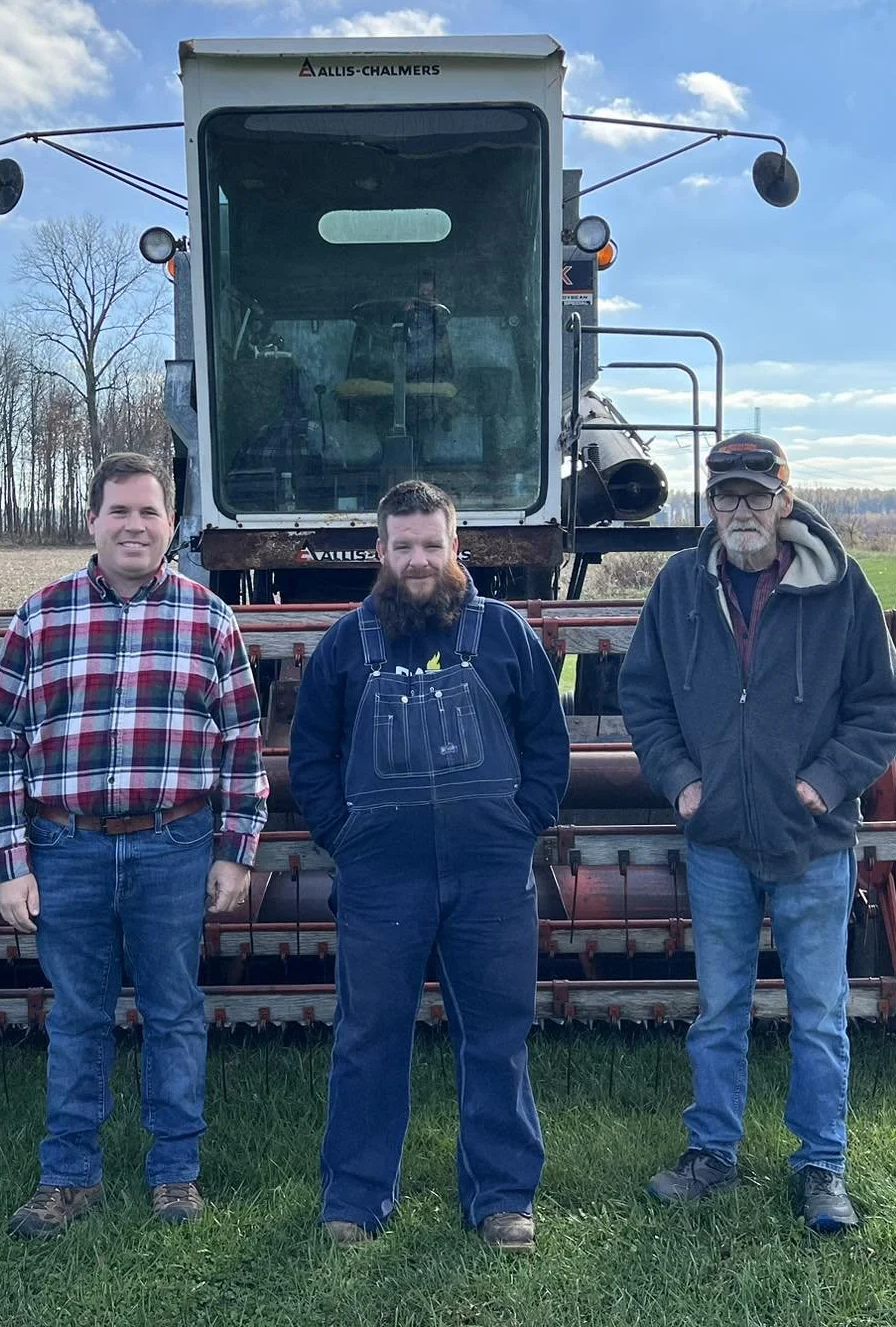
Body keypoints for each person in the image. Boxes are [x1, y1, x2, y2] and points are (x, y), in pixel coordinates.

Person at [619, 433, 896, 1233]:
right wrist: (680, 781)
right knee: (720, 1008)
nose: (741, 511)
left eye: (756, 496)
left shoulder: (840, 588)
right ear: (707, 507)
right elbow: (641, 696)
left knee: (819, 1013)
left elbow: (884, 703)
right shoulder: (679, 586)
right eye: (726, 498)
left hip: (811, 843)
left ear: (786, 501)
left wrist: (827, 780)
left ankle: (822, 1167)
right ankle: (712, 1151)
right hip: (717, 842)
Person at [0, 451, 268, 1238]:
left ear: (172, 527)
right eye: (119, 511)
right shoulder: (41, 615)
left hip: (173, 844)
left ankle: (175, 1172)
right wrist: (9, 864)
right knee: (77, 1015)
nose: (134, 525)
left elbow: (242, 741)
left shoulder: (209, 618)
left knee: (173, 1010)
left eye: (149, 512)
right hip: (64, 847)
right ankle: (69, 1175)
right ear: (93, 521)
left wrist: (235, 848)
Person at [288, 479, 570, 1252]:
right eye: (403, 546)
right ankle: (355, 1197)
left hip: (490, 874)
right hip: (382, 879)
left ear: (457, 548)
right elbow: (310, 756)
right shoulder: (346, 645)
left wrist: (523, 824)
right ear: (379, 553)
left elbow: (549, 743)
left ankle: (504, 1197)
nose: (418, 560)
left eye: (431, 545)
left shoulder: (507, 634)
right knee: (369, 1036)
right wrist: (343, 835)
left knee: (497, 1037)